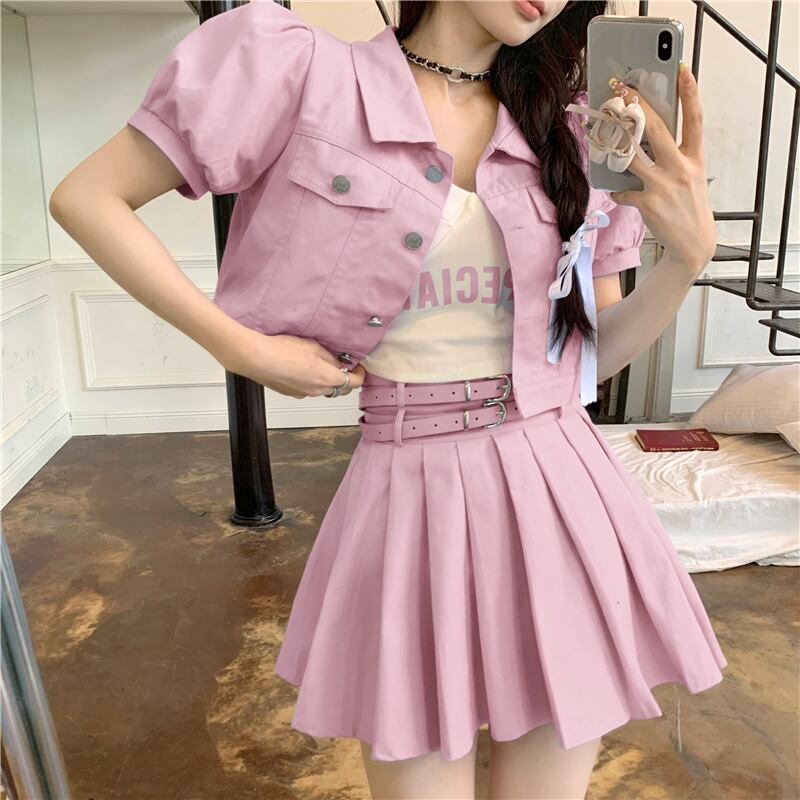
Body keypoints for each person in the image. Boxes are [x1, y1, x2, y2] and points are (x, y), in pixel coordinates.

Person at [49, 1, 727, 797]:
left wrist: (686, 260)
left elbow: (591, 356)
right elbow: (88, 197)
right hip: (409, 488)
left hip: (561, 487)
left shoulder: (574, 133)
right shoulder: (299, 73)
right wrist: (243, 350)